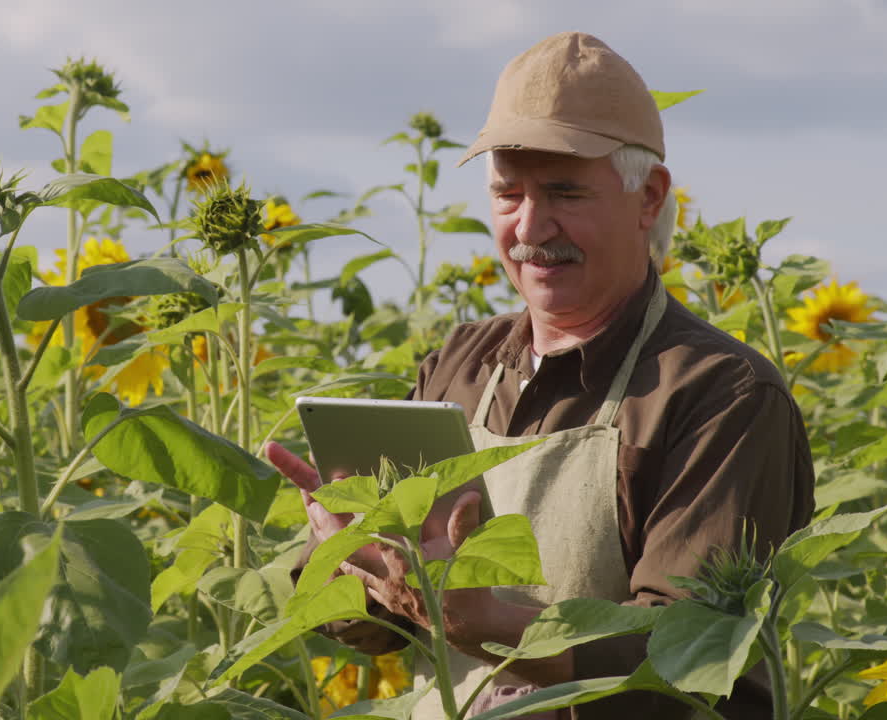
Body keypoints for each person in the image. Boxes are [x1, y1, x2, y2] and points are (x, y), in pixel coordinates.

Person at [267, 31, 815, 719]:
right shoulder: (459, 367)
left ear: (648, 198)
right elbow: (375, 630)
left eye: (564, 192)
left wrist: (483, 622)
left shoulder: (718, 393)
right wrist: (350, 555)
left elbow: (687, 656)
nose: (530, 225)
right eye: (507, 193)